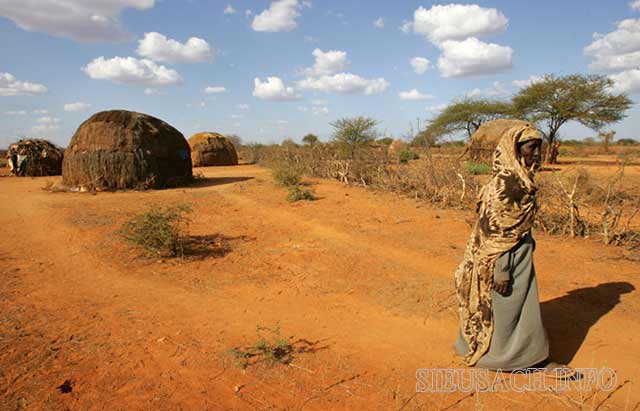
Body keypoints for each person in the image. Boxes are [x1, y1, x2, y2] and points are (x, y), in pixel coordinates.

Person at [453, 123, 574, 377]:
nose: (536, 154)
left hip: (511, 252)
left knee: (497, 306)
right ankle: (526, 361)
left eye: (538, 148)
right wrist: (502, 269)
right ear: (515, 148)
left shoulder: (516, 177)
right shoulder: (509, 183)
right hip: (503, 257)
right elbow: (496, 232)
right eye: (531, 148)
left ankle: (486, 349)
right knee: (511, 308)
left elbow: (509, 226)